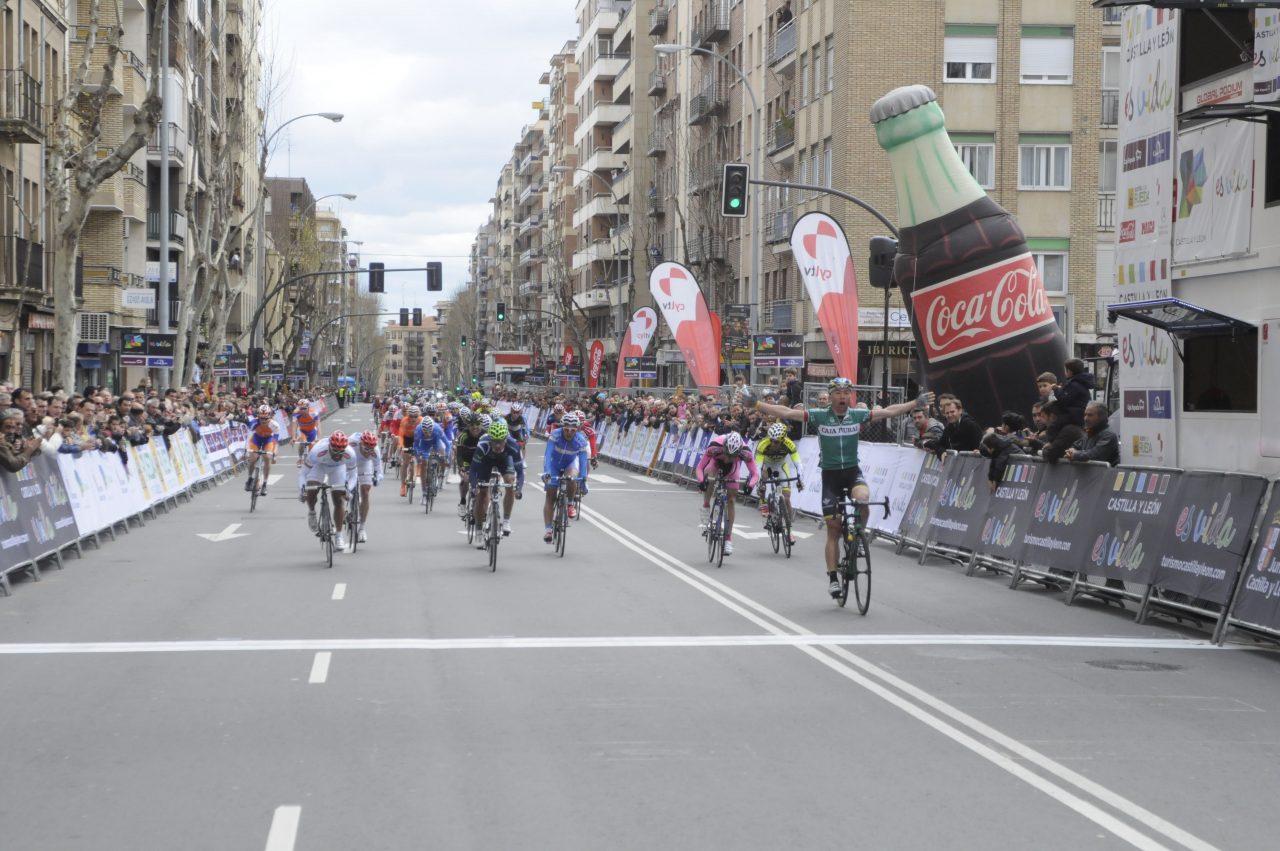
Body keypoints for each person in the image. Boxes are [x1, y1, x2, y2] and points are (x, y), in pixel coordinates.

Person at [755, 377, 933, 598]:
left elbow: (888, 412)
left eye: (846, 392)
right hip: (830, 477)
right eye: (838, 393)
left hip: (851, 472)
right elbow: (787, 413)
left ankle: (859, 537)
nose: (842, 396)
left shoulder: (857, 415)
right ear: (830, 397)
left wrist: (914, 404)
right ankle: (832, 578)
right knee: (833, 529)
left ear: (850, 396)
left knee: (864, 498)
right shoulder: (820, 415)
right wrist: (756, 404)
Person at [694, 430, 758, 556]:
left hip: (733, 468)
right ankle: (706, 506)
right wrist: (701, 481)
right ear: (724, 447)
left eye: (733, 455)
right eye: (728, 454)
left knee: (731, 500)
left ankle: (728, 539)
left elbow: (755, 474)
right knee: (710, 476)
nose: (729, 458)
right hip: (715, 463)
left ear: (739, 451)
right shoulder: (714, 446)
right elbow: (700, 467)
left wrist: (750, 486)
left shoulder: (746, 452)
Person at [541, 412, 591, 543]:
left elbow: (583, 462)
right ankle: (548, 530)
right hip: (554, 464)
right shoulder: (555, 435)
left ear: (577, 429)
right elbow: (547, 455)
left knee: (572, 477)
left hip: (570, 464)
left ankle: (570, 504)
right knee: (551, 495)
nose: (569, 433)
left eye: (573, 430)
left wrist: (583, 479)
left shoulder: (581, 440)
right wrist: (546, 472)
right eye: (566, 429)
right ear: (562, 427)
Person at [303, 430, 357, 550]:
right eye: (335, 451)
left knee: (339, 499)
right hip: (319, 466)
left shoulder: (350, 453)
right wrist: (302, 489)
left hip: (338, 468)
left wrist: (349, 490)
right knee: (311, 489)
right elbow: (303, 474)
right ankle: (312, 512)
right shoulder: (317, 451)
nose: (338, 455)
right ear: (329, 447)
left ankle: (338, 535)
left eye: (341, 451)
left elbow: (353, 476)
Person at [754, 421, 803, 546]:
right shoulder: (763, 444)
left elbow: (798, 463)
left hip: (781, 465)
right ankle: (763, 502)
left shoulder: (789, 444)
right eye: (771, 440)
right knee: (762, 478)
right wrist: (759, 482)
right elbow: (757, 465)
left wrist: (800, 478)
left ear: (782, 440)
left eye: (776, 442)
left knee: (786, 497)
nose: (772, 443)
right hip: (767, 465)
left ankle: (789, 529)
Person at [471, 419, 521, 542]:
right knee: (482, 493)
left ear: (506, 440)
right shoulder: (483, 446)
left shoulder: (513, 445)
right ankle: (478, 530)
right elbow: (473, 470)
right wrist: (473, 487)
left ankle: (506, 521)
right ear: (490, 440)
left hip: (504, 460)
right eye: (494, 442)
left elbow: (520, 472)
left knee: (510, 483)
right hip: (486, 462)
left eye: (500, 442)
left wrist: (518, 488)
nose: (498, 445)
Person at [347, 430, 381, 542]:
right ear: (360, 444)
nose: (368, 452)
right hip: (349, 464)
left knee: (365, 493)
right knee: (344, 489)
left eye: (371, 450)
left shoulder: (375, 451)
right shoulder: (351, 444)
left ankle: (362, 528)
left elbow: (378, 469)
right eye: (366, 449)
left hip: (364, 466)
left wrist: (377, 478)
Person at [1066, 402, 1120, 466]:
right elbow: (1075, 446)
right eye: (1085, 415)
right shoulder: (1089, 433)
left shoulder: (1109, 435)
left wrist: (1075, 455)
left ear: (1101, 418)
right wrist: (1071, 451)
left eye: (1090, 415)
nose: (1086, 418)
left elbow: (1095, 455)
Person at [245, 404, 279, 495]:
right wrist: (247, 450)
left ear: (270, 417)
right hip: (256, 439)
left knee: (267, 457)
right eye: (261, 418)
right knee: (252, 458)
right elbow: (248, 437)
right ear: (258, 416)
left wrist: (275, 453)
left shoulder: (274, 425)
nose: (263, 421)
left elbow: (276, 441)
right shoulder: (254, 423)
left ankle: (264, 483)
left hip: (268, 440)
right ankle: (250, 479)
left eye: (265, 419)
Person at [413, 414, 450, 497]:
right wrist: (418, 456)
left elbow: (447, 444)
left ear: (432, 429)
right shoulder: (418, 430)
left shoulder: (437, 429)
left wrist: (446, 456)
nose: (427, 434)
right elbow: (415, 446)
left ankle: (440, 474)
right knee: (424, 464)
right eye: (425, 432)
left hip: (436, 441)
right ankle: (424, 490)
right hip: (424, 444)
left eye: (429, 431)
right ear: (422, 429)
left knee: (442, 455)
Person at [454, 411, 484, 513]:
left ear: (481, 424)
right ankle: (463, 501)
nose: (475, 427)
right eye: (472, 425)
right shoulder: (463, 436)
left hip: (481, 461)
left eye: (477, 424)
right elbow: (459, 455)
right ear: (468, 425)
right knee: (466, 479)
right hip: (466, 460)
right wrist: (461, 467)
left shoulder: (485, 435)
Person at [1056, 359, 1094, 428]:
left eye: (1065, 370)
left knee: (1054, 426)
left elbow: (1063, 400)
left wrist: (1056, 389)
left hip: (1074, 418)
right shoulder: (1081, 382)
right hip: (1080, 415)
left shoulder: (1073, 384)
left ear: (1069, 371)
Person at [398, 404, 424, 496]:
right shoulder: (404, 421)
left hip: (417, 438)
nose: (413, 419)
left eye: (415, 416)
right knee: (405, 462)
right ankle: (403, 485)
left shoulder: (421, 421)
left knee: (421, 453)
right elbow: (400, 435)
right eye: (411, 416)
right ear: (408, 415)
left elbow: (424, 435)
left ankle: (419, 466)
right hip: (407, 439)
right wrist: (401, 446)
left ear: (418, 416)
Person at [291, 400, 320, 466]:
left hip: (312, 430)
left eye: (304, 408)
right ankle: (300, 458)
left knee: (312, 450)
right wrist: (293, 437)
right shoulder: (296, 413)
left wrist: (318, 438)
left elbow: (318, 426)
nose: (303, 410)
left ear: (308, 407)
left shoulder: (314, 413)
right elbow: (294, 427)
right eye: (301, 409)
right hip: (302, 430)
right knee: (302, 442)